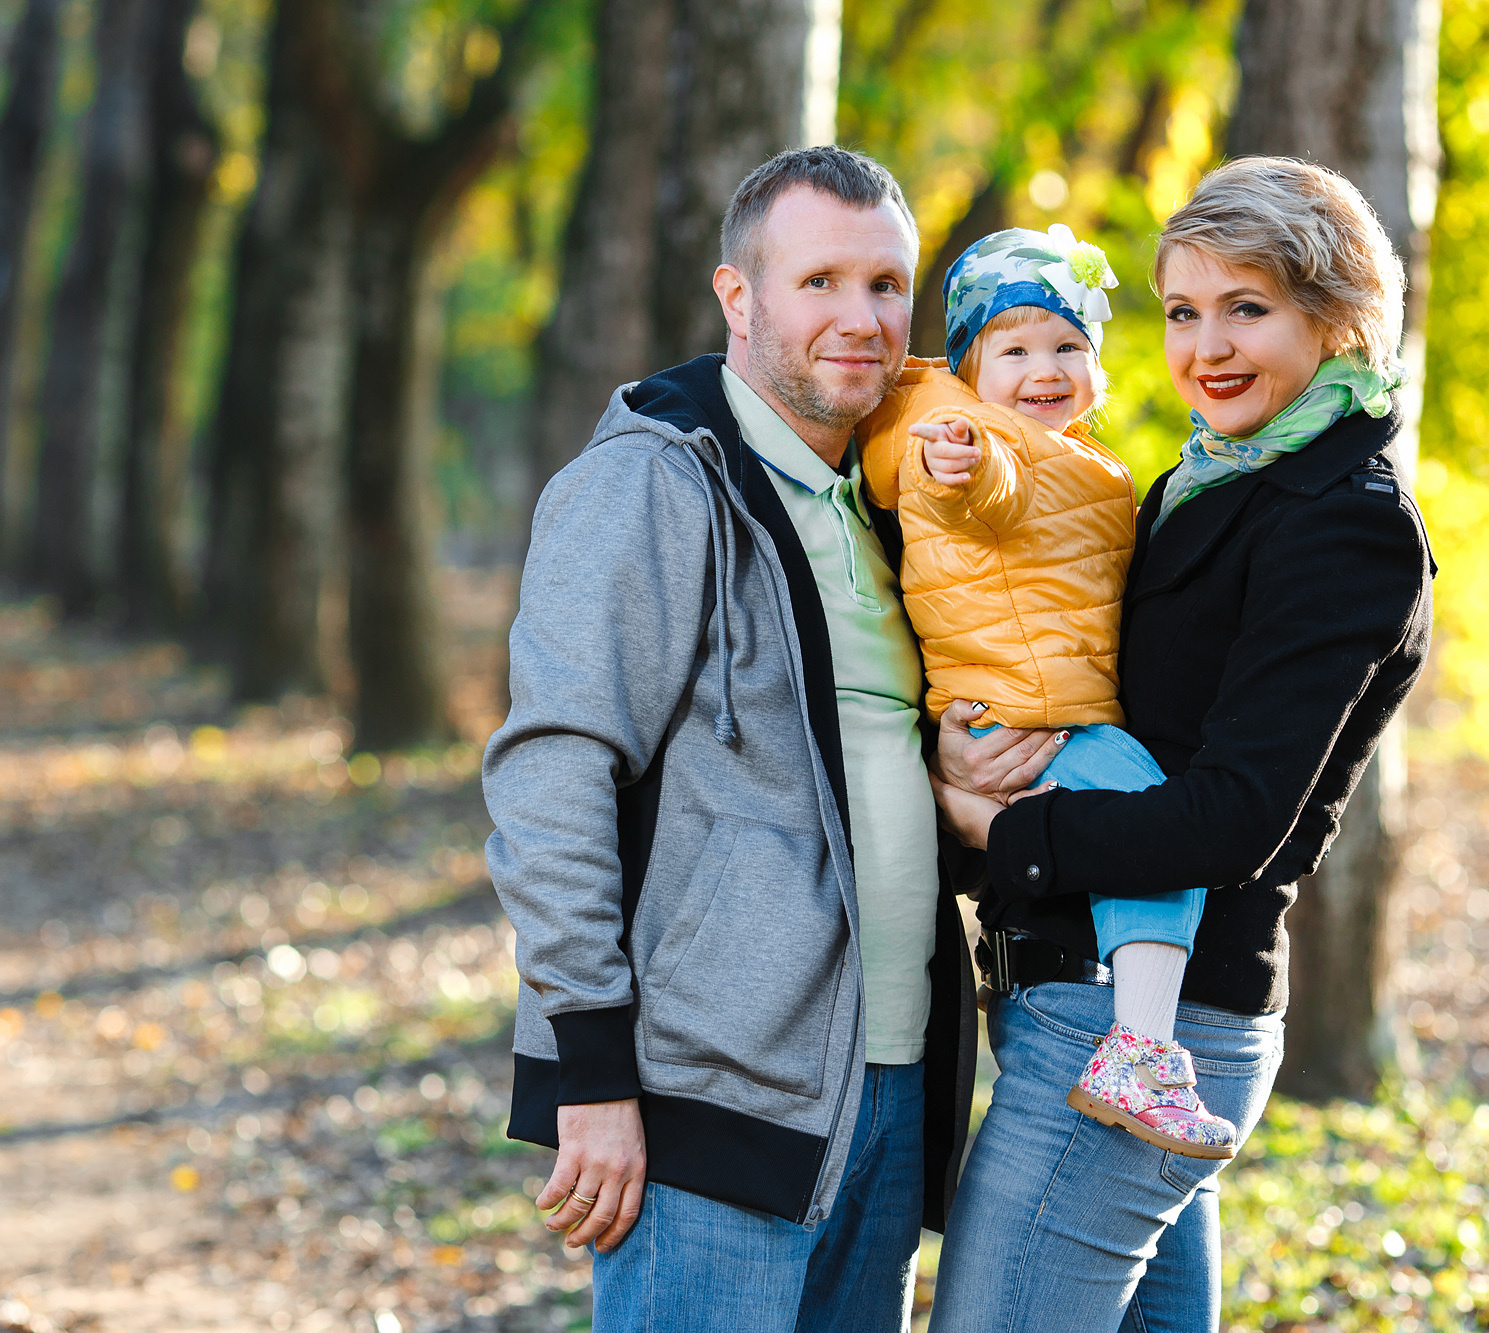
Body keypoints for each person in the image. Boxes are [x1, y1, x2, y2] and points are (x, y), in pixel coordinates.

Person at [928, 156, 1437, 1332]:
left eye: (1246, 308)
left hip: (1144, 1027)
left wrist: (991, 828)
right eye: (1180, 311)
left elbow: (1228, 816)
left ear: (1336, 317)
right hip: (1082, 999)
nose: (1204, 346)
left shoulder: (1341, 524)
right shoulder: (1196, 484)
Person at [483, 146, 979, 1332]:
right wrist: (590, 1071)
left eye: (884, 285)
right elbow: (551, 771)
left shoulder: (885, 504)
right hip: (702, 1095)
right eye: (818, 283)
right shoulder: (651, 484)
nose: (859, 320)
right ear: (737, 298)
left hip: (887, 1084)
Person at [857, 223, 1237, 1158]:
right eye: (1014, 348)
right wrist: (962, 460)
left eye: (1069, 344)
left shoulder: (1094, 464)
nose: (1046, 367)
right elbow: (986, 488)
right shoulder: (981, 439)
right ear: (970, 369)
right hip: (1027, 714)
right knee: (1153, 829)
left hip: (1039, 707)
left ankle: (1125, 1034)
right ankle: (1141, 1051)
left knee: (1135, 825)